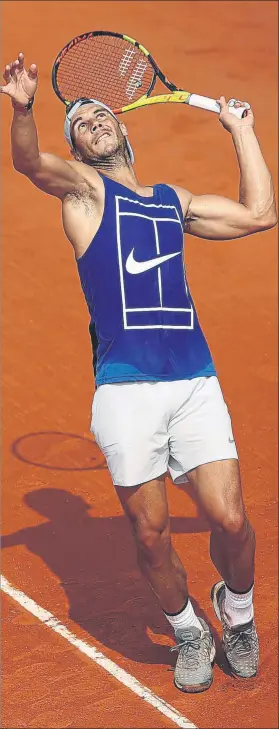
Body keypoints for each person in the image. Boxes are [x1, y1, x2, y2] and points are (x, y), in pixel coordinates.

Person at [1, 52, 277, 694]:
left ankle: (236, 613)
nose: (92, 121)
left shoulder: (171, 201)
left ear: (125, 130)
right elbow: (29, 162)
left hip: (193, 381)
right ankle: (187, 630)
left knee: (230, 520)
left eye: (100, 114)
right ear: (79, 149)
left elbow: (260, 214)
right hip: (125, 392)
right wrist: (23, 108)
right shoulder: (85, 195)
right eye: (80, 124)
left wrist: (242, 130)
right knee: (150, 533)